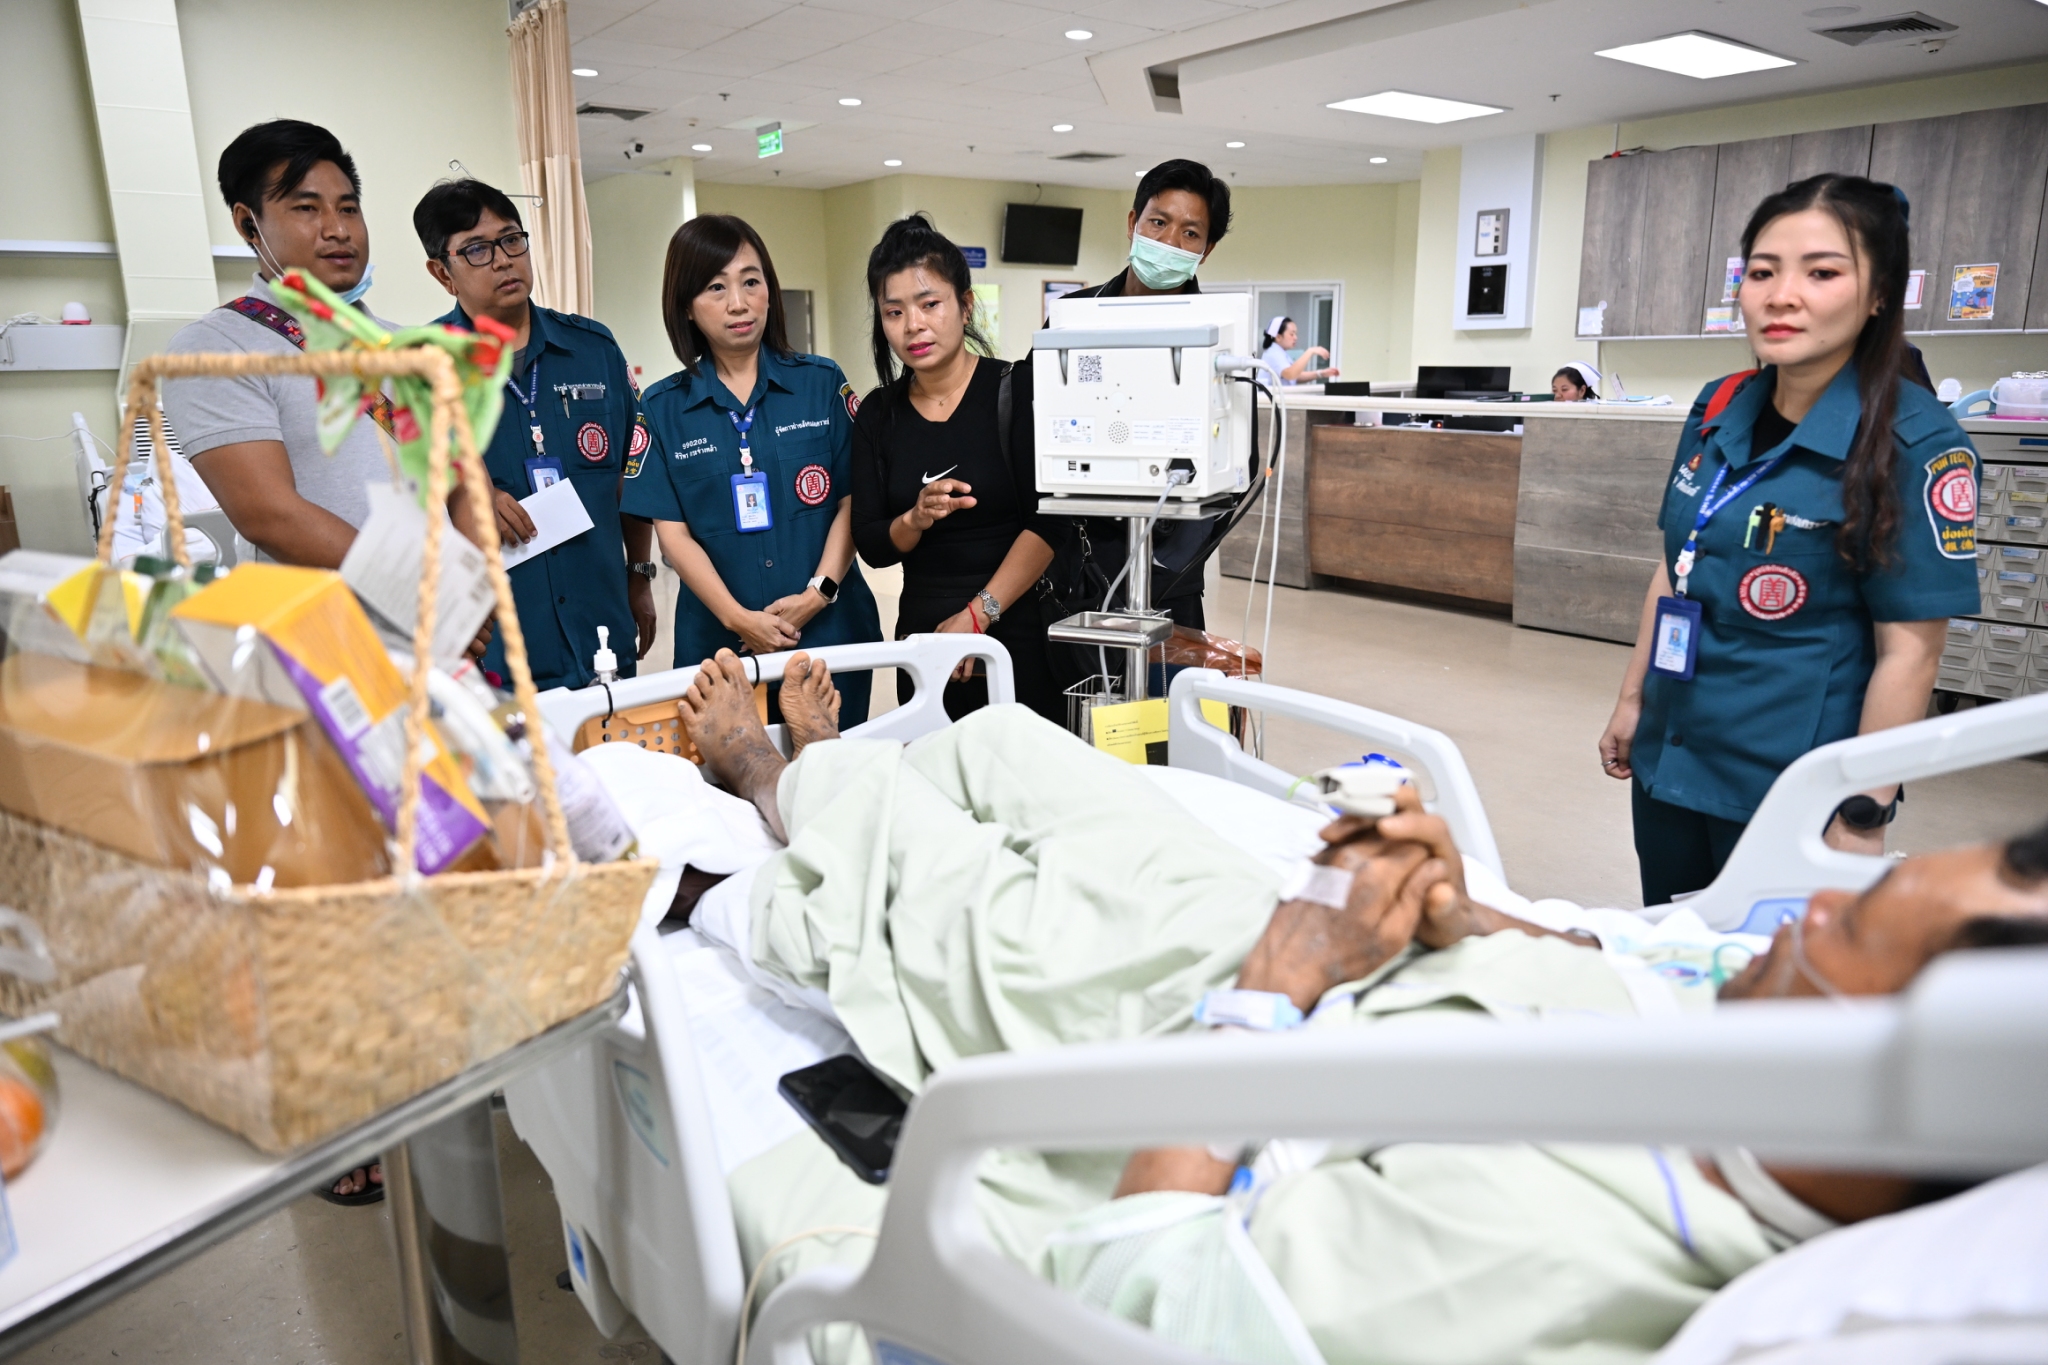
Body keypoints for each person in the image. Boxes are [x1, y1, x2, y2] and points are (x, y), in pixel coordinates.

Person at [666, 651, 2048, 1365]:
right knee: (1000, 742)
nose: (1794, 915)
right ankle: (835, 772)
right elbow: (1649, 960)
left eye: (1841, 929)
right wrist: (1469, 916)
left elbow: (1132, 1293)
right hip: (1334, 939)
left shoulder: (1544, 1264)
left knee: (919, 867)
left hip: (1215, 1022)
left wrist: (1275, 981)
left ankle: (776, 777)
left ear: (1904, 1090)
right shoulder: (1750, 1054)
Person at [1597, 174, 1979, 908]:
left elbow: (1910, 653)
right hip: (1671, 754)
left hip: (1790, 786)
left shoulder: (1915, 443)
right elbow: (1676, 566)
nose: (1781, 296)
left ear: (1879, 294)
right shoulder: (1718, 406)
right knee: (1676, 951)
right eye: (1762, 273)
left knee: (1772, 972)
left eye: (1822, 273)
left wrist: (1863, 814)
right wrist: (1632, 699)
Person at [622, 214, 880, 722]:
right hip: (719, 647)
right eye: (715, 287)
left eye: (751, 282)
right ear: (686, 306)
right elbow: (673, 537)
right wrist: (738, 618)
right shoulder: (662, 408)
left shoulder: (821, 384)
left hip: (829, 634)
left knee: (835, 764)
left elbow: (853, 502)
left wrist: (818, 594)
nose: (738, 303)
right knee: (734, 769)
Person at [416, 178, 657, 692]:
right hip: (497, 648)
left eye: (511, 240)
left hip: (602, 628)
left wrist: (639, 574)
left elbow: (631, 476)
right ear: (442, 273)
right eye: (477, 250)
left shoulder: (594, 349)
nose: (503, 260)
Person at [850, 216, 1064, 723]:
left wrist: (977, 616)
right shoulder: (878, 414)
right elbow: (873, 544)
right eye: (894, 311)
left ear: (965, 306)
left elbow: (1050, 521)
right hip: (924, 645)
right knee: (932, 765)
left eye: (930, 304)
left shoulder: (1018, 389)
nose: (913, 325)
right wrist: (914, 518)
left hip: (1017, 630)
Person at [161, 120, 390, 569]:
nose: (338, 229)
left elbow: (456, 477)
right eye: (307, 208)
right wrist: (423, 591)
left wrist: (471, 590)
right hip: (331, 612)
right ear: (249, 224)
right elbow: (271, 517)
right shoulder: (216, 351)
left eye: (348, 209)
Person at [1057, 159, 1237, 629]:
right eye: (1158, 222)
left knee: (1165, 678)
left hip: (1170, 581)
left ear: (1206, 250)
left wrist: (1165, 565)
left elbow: (1236, 470)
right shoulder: (1073, 317)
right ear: (1133, 222)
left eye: (1190, 233)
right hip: (1076, 569)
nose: (1169, 242)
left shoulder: (1220, 335)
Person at [1260, 316, 1338, 385]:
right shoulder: (1273, 353)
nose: (1295, 338)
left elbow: (1295, 376)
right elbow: (1290, 374)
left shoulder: (1280, 352)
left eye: (1295, 334)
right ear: (1278, 337)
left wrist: (1321, 374)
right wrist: (1310, 351)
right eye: (1291, 334)